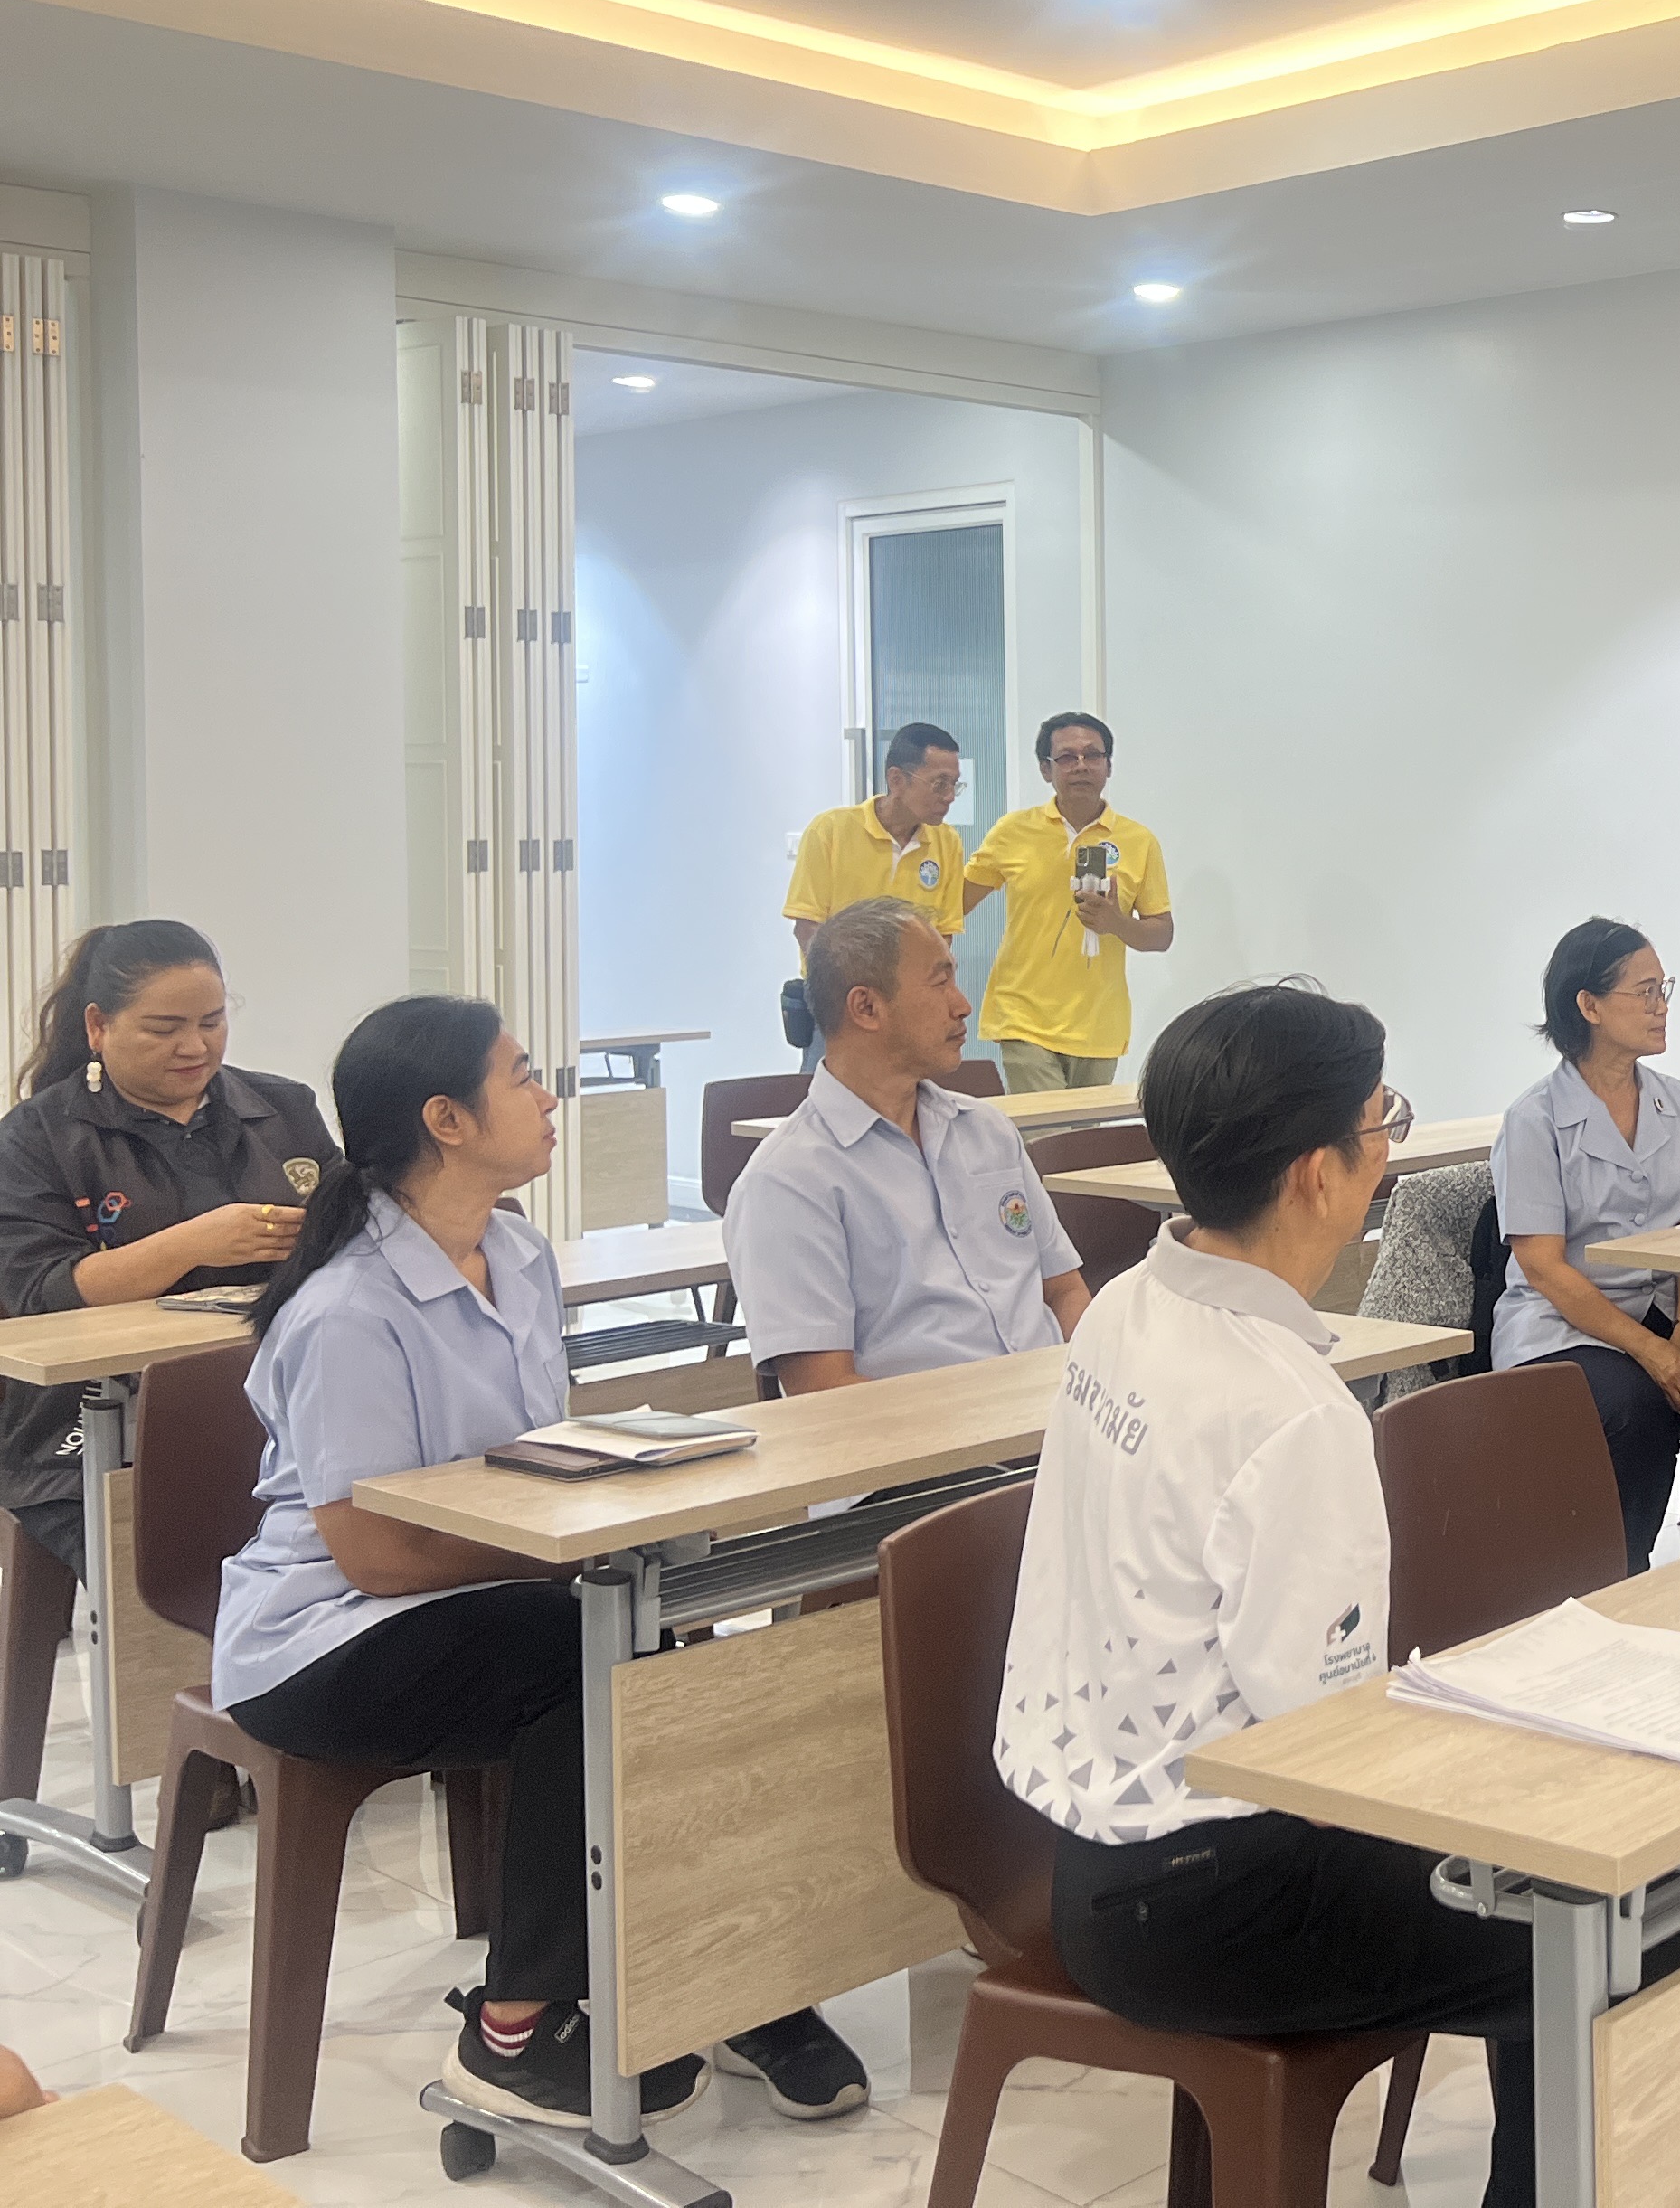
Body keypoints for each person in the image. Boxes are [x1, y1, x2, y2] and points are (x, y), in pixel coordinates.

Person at [997, 982, 1680, 2208]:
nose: (1389, 1148)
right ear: (1316, 1174)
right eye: (1380, 1120)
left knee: (1567, 1852)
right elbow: (1335, 1751)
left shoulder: (1127, 1306)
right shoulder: (1291, 1412)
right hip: (1219, 1896)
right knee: (1667, 1892)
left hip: (1090, 1858)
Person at [212, 998, 864, 2128]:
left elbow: (533, 1452)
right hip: (320, 1641)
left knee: (678, 1648)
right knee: (593, 1654)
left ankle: (726, 1972)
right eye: (520, 1076)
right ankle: (515, 2024)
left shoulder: (515, 1252)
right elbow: (374, 1553)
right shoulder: (346, 1310)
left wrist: (613, 1498)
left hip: (487, 1596)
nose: (547, 1094)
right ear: (447, 1119)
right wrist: (573, 1537)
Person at [0, 921, 337, 1580]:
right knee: (180, 1582)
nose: (195, 1046)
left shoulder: (284, 1108)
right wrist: (196, 1242)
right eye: (164, 1029)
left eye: (213, 1022)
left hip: (276, 1407)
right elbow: (40, 1294)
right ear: (98, 1026)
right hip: (85, 1427)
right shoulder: (38, 1138)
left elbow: (349, 1235)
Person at [728, 901, 1090, 1394]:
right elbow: (823, 1393)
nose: (962, 1005)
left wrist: (1095, 1392)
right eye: (940, 983)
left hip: (1058, 1412)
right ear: (866, 1008)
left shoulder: (987, 1130)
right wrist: (987, 1419)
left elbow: (1064, 1290)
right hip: (936, 1438)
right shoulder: (788, 1181)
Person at [1489, 920, 1680, 1565]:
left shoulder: (1678, 1103)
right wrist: (1654, 1352)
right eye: (1645, 991)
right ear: (1590, 1005)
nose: (1662, 1006)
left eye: (1664, 989)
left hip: (1669, 1309)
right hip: (1564, 1326)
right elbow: (1544, 1269)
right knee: (1635, 1409)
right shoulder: (1533, 1120)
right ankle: (1622, 1586)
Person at [961, 711, 1174, 1093]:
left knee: (1082, 1131)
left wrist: (1117, 922)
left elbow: (1161, 935)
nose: (1081, 766)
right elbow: (954, 904)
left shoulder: (1139, 841)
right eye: (1066, 757)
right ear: (1046, 769)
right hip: (1023, 1016)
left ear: (1109, 766)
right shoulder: (1013, 832)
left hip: (1099, 1024)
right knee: (1048, 1126)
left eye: (1092, 755)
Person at [780, 723, 967, 1062]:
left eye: (954, 785)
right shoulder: (830, 831)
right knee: (835, 1092)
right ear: (897, 780)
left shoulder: (947, 843)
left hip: (909, 1008)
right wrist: (858, 995)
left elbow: (942, 935)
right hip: (840, 1005)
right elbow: (807, 928)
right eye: (939, 784)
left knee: (913, 1091)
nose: (949, 796)